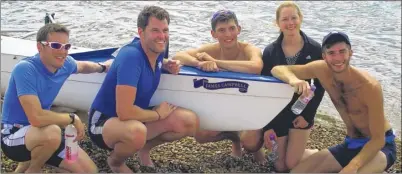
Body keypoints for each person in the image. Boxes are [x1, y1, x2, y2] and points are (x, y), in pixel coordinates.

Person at [88, 5, 199, 172]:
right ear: (141, 32)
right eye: (155, 30)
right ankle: (116, 162)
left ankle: (144, 148)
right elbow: (124, 112)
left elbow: (149, 66)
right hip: (103, 123)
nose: (162, 36)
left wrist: (166, 66)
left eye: (165, 30)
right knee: (137, 132)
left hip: (135, 117)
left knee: (188, 121)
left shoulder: (158, 49)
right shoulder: (131, 57)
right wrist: (157, 114)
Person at [270, 31, 396, 173]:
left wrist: (352, 166)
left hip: (380, 146)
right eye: (331, 53)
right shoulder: (321, 70)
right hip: (351, 143)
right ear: (324, 56)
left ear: (350, 52)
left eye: (342, 51)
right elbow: (278, 69)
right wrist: (294, 80)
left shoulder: (369, 87)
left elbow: (378, 140)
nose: (337, 58)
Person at [1, 23, 113, 173]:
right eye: (55, 45)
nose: (63, 51)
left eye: (66, 46)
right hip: (13, 135)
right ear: (40, 47)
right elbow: (37, 118)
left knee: (90, 171)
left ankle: (27, 163)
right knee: (53, 132)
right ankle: (33, 169)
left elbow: (83, 66)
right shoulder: (25, 69)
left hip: (43, 134)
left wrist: (103, 67)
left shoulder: (65, 64)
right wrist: (72, 118)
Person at [173, 9, 265, 163]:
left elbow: (256, 66)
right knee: (201, 135)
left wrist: (217, 63)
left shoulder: (249, 49)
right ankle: (235, 140)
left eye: (231, 28)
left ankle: (255, 147)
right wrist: (199, 63)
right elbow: (178, 56)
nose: (228, 34)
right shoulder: (211, 50)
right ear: (213, 34)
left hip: (249, 108)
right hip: (224, 107)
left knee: (251, 143)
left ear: (239, 29)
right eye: (221, 30)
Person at [259, 1, 325, 172]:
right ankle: (289, 146)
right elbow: (264, 90)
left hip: (302, 109)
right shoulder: (270, 52)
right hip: (278, 112)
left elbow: (321, 85)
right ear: (277, 23)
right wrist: (267, 127)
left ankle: (324, 155)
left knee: (292, 164)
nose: (290, 23)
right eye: (285, 19)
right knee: (279, 166)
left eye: (294, 18)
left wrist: (308, 116)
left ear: (300, 18)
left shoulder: (315, 49)